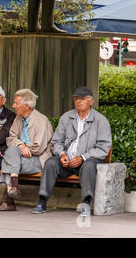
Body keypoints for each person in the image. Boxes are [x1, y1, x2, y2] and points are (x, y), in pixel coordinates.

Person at [32, 87, 112, 217]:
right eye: (76, 99)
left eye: (82, 99)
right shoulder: (67, 117)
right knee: (50, 163)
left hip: (86, 162)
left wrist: (83, 157)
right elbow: (56, 141)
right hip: (67, 161)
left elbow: (103, 148)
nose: (78, 101)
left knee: (89, 166)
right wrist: (62, 154)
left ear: (90, 101)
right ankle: (42, 201)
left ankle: (86, 203)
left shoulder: (100, 120)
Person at [0, 89, 53, 211]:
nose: (13, 106)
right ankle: (14, 187)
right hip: (20, 157)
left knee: (8, 159)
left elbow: (38, 148)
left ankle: (9, 200)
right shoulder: (18, 118)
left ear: (26, 106)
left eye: (16, 103)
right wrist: (21, 146)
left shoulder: (41, 120)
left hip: (38, 159)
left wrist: (21, 147)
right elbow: (10, 138)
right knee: (12, 153)